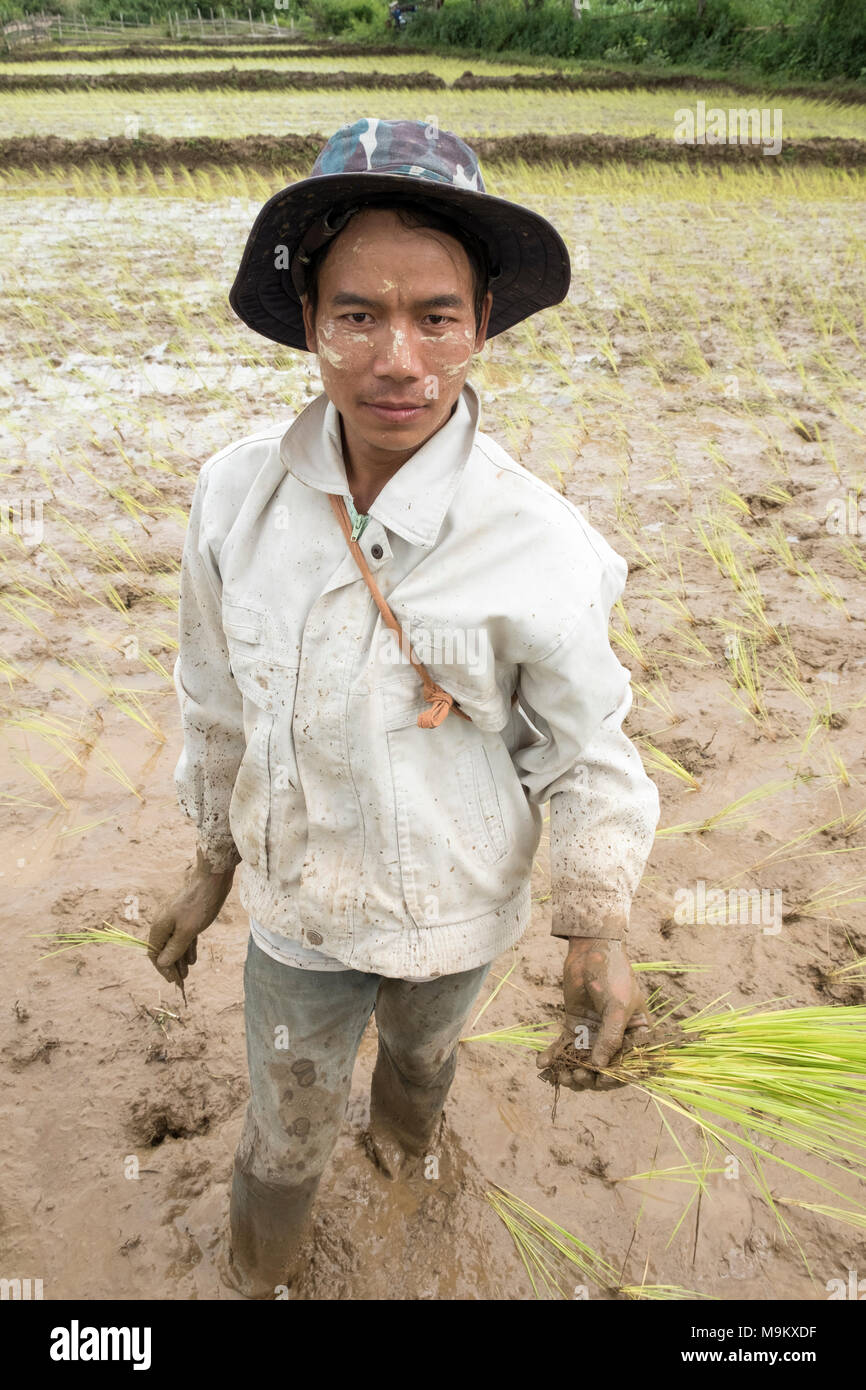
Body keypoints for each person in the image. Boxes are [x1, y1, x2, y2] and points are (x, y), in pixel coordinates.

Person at [149, 117, 660, 1299]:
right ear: (309, 321)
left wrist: (595, 926)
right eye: (357, 314)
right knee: (282, 1124)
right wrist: (211, 860)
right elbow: (213, 695)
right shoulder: (235, 499)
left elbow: (584, 748)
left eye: (435, 315)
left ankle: (408, 1141)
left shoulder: (538, 541)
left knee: (423, 1059)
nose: (398, 358)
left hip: (456, 908)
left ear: (482, 322)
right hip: (300, 911)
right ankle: (259, 1268)